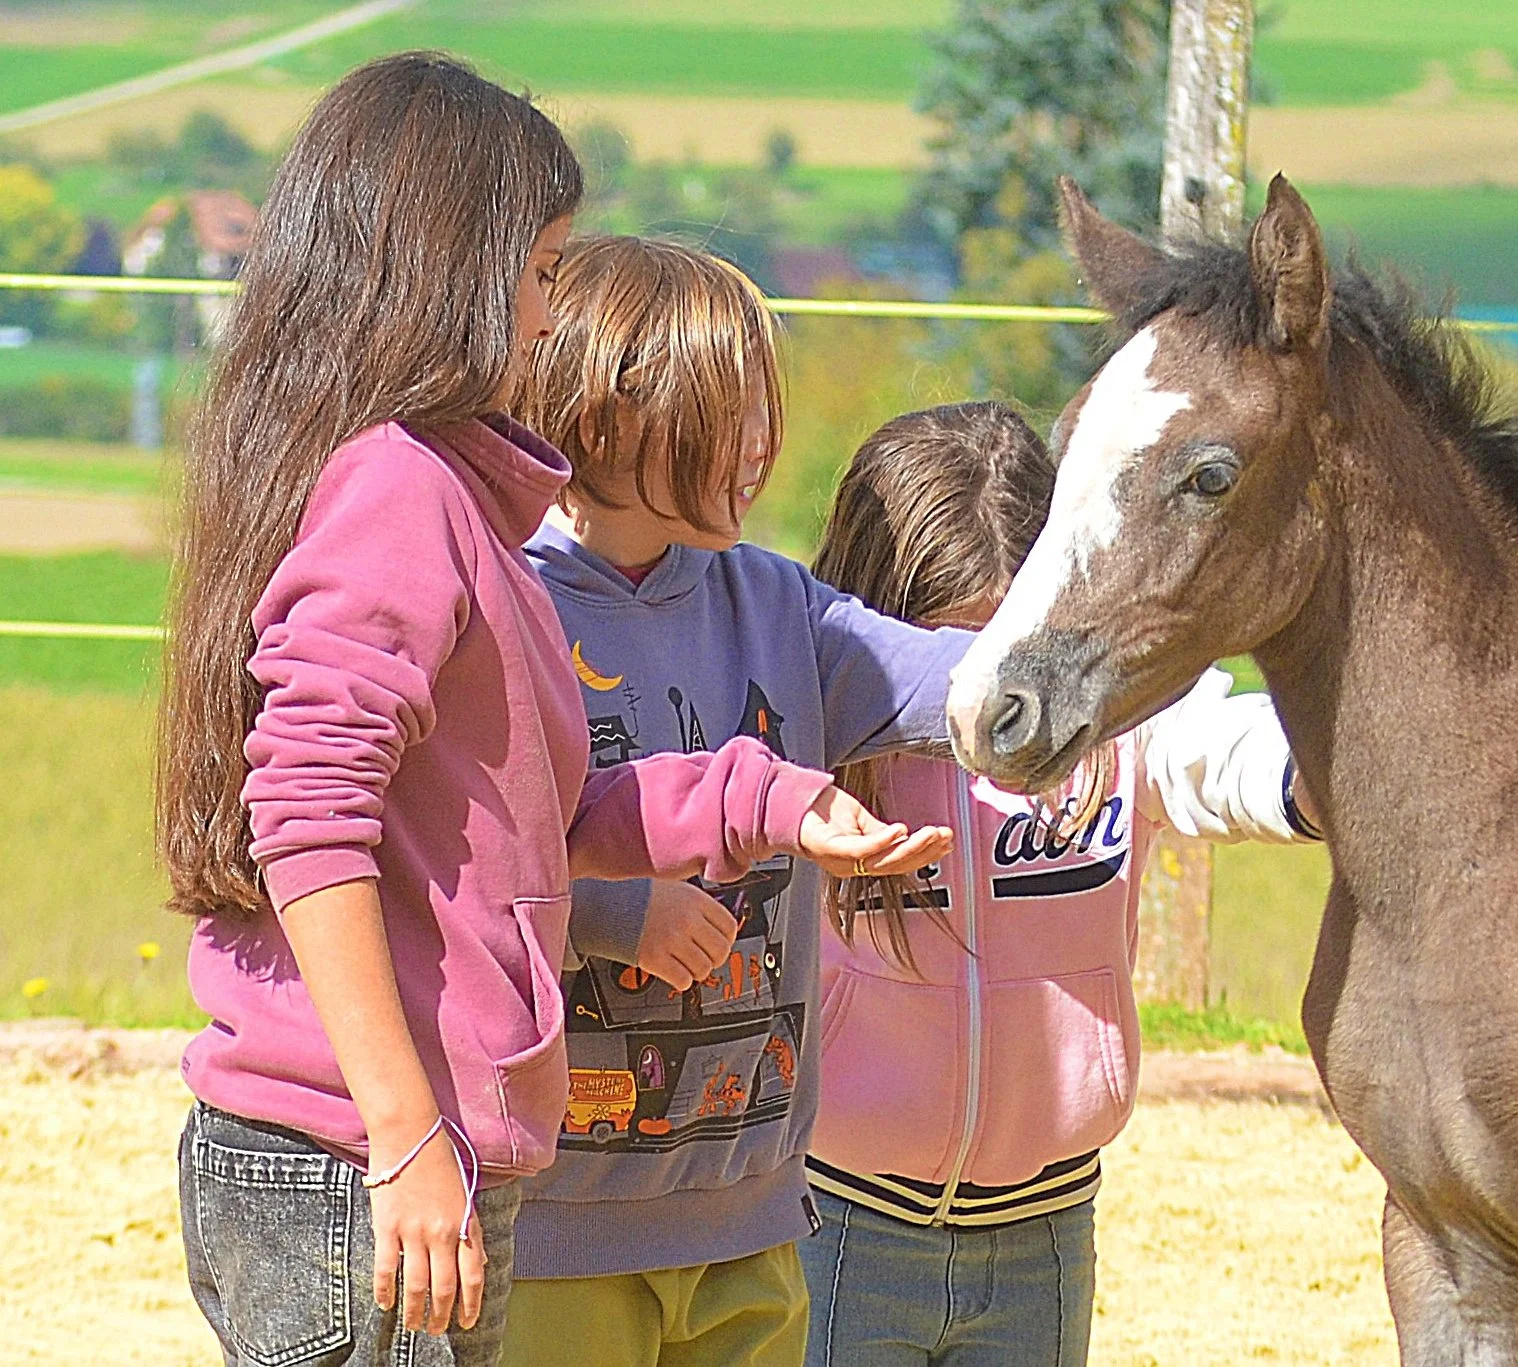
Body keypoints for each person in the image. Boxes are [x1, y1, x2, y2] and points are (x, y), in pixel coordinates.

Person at [159, 58, 936, 1367]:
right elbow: (305, 815)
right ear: (450, 278)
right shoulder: (400, 490)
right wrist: (405, 1129)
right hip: (370, 1157)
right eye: (539, 274)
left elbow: (534, 818)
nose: (543, 319)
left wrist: (781, 799)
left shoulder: (432, 497)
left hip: (406, 1149)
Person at [501, 237, 970, 1367]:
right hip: (554, 1233)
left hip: (752, 1216)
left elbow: (969, 681)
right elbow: (455, 863)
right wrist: (612, 915)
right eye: (725, 413)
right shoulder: (502, 602)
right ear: (605, 419)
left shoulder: (778, 603)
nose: (761, 446)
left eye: (764, 409)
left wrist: (1146, 679)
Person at [800, 402, 1324, 1367]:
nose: (979, 707)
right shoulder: (808, 737)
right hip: (837, 1227)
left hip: (1044, 1235)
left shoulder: (1105, 720)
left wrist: (1331, 770)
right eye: (936, 658)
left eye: (1007, 648)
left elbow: (1214, 749)